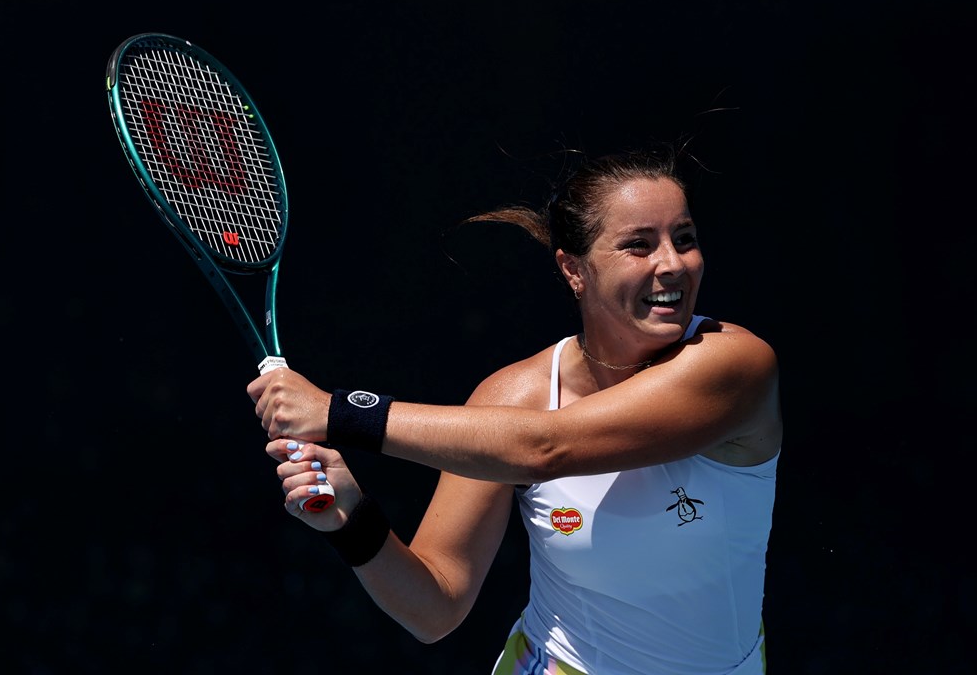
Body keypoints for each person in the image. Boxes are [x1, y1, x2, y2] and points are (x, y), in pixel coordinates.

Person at [247, 145, 783, 675]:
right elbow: (435, 608)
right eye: (638, 246)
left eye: (684, 239)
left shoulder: (734, 364)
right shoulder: (513, 399)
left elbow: (547, 447)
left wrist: (338, 412)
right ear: (575, 270)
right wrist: (352, 518)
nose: (672, 264)